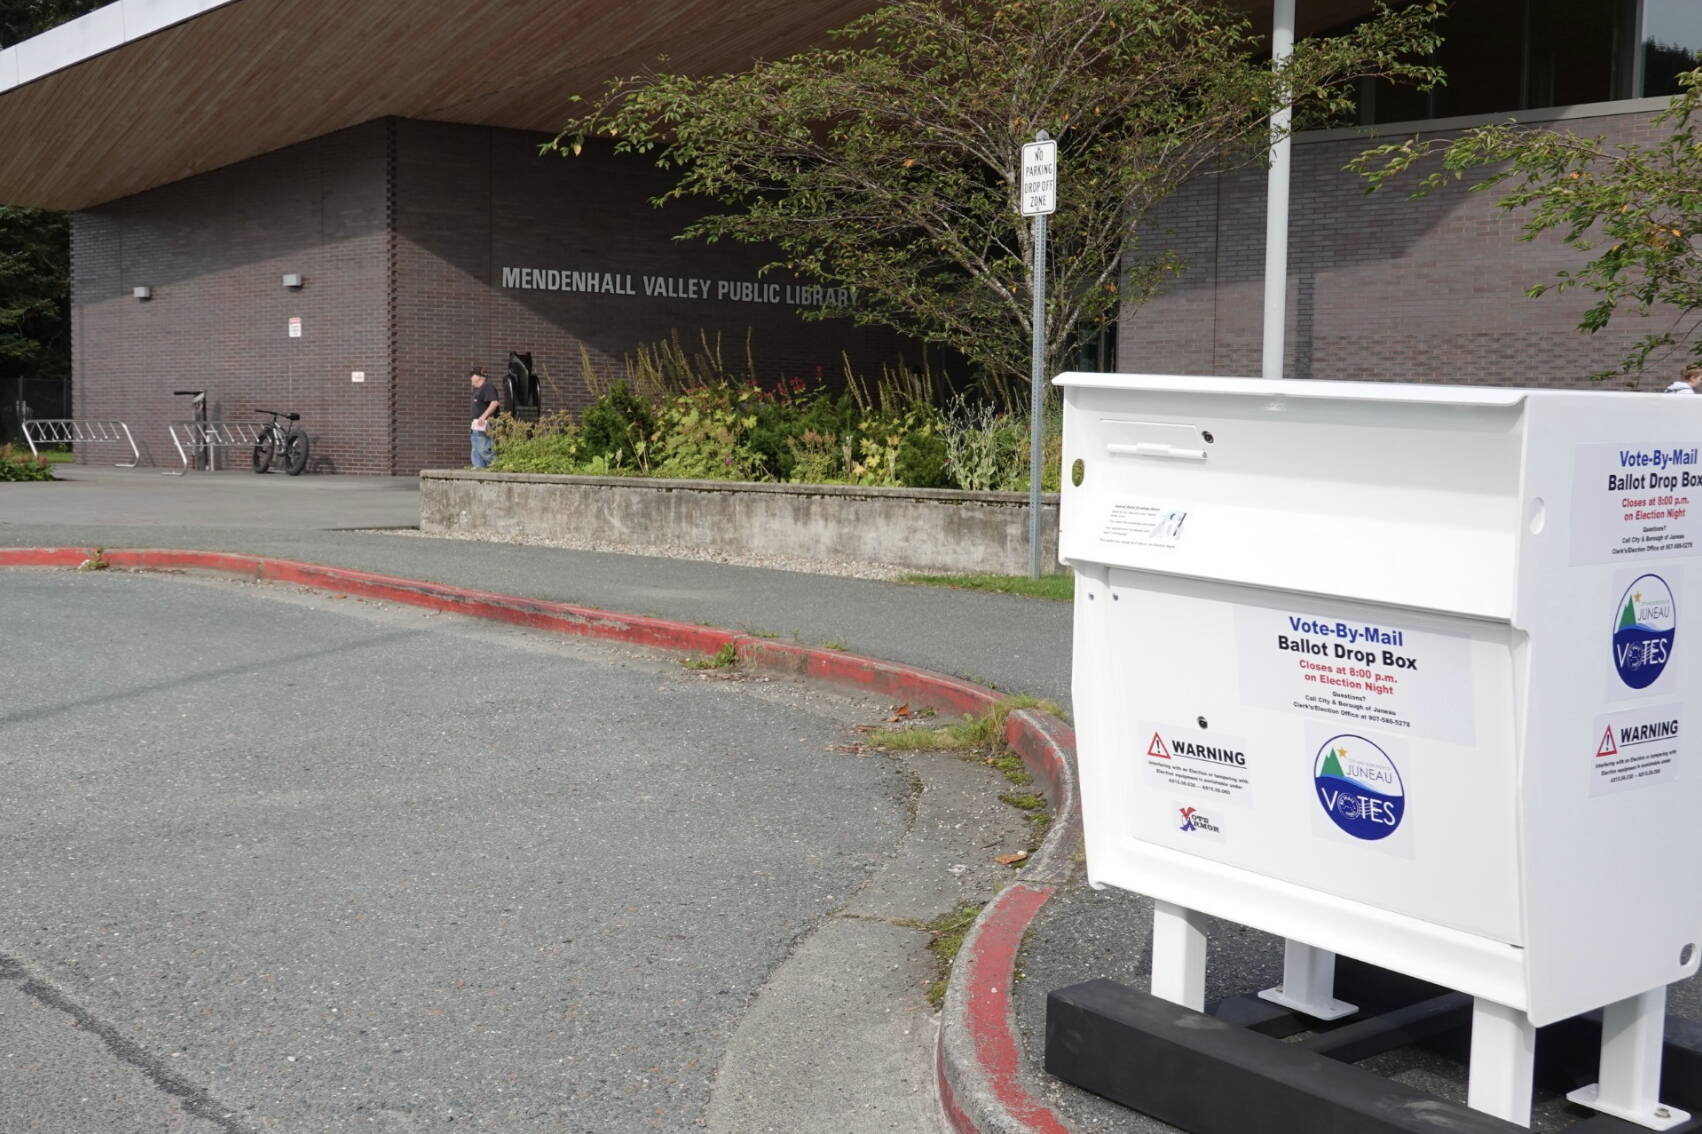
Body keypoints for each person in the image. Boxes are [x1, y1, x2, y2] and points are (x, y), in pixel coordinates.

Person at [469, 365, 500, 467]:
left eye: (472, 375)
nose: (470, 378)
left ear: (479, 377)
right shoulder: (477, 390)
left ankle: (498, 466)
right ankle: (479, 471)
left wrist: (483, 417)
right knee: (476, 452)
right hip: (476, 426)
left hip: (484, 424)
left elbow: (494, 403)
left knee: (484, 450)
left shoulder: (487, 387)